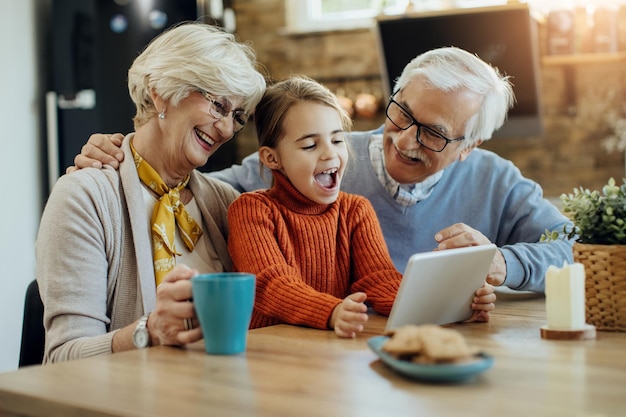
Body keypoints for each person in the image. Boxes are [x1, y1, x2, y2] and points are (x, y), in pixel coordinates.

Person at [69, 47, 574, 294]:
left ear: (470, 145)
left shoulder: (496, 180)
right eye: (401, 114)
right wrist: (124, 154)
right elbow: (189, 190)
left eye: (434, 134)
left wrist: (505, 265)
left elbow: (578, 249)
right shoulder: (318, 155)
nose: (403, 139)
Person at [36, 22, 266, 363]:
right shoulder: (85, 198)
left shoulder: (225, 203)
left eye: (238, 116)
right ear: (160, 91)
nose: (226, 129)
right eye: (218, 106)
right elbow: (63, 357)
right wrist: (150, 330)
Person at [227, 76, 496, 337]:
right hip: (270, 351)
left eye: (336, 140)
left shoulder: (355, 210)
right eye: (310, 145)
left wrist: (450, 307)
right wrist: (331, 312)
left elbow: (380, 280)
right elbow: (269, 285)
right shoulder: (252, 210)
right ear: (272, 158)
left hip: (331, 350)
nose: (330, 153)